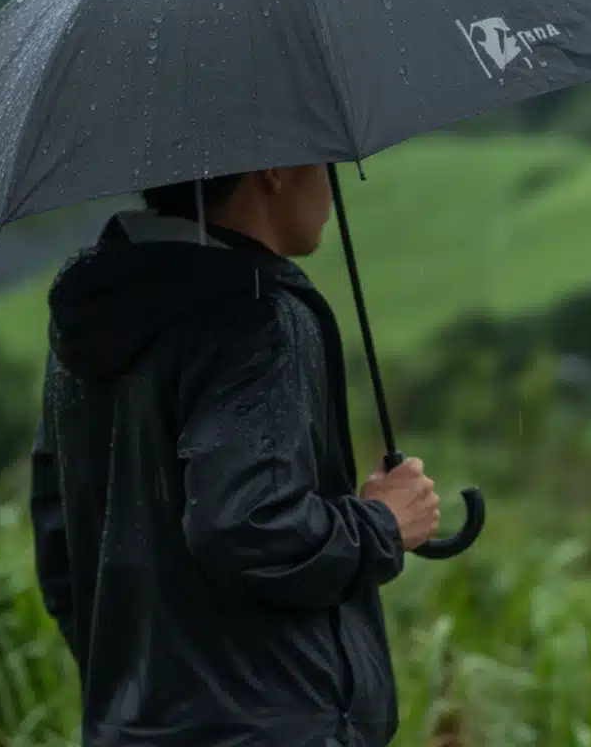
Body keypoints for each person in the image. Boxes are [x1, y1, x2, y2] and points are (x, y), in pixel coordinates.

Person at [29, 165, 441, 747]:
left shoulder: (91, 321)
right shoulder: (257, 316)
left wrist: (152, 691)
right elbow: (249, 524)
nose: (333, 186)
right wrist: (384, 523)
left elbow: (62, 543)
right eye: (327, 163)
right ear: (275, 170)